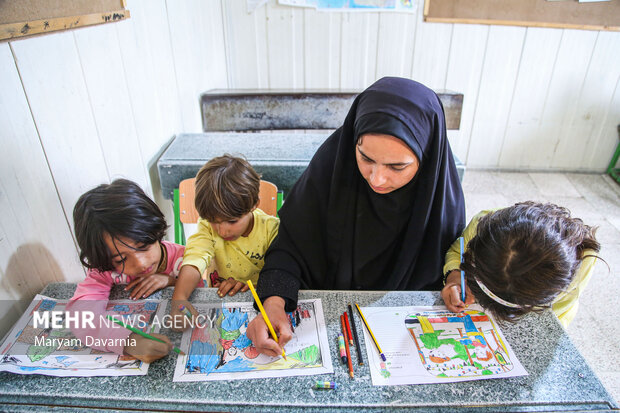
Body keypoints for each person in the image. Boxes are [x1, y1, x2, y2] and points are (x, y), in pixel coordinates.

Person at [246, 77, 466, 357]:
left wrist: (455, 279)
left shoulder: (439, 205)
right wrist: (274, 303)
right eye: (365, 158)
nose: (377, 179)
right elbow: (291, 246)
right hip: (330, 336)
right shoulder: (331, 172)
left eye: (397, 167)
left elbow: (453, 264)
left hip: (401, 346)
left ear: (427, 158)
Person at [67, 179, 184, 363]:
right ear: (105, 258)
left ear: (155, 230)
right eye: (121, 259)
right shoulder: (105, 271)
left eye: (144, 246)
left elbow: (206, 290)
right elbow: (82, 316)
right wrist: (129, 342)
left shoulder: (184, 259)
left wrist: (171, 280)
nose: (140, 264)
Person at [441, 201, 601, 328]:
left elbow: (560, 310)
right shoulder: (482, 226)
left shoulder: (583, 260)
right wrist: (455, 276)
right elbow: (457, 251)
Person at [170, 155, 280, 328]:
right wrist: (179, 300)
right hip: (218, 301)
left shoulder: (271, 230)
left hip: (258, 306)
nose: (222, 231)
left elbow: (278, 276)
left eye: (232, 221)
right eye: (214, 221)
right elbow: (195, 258)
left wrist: (249, 287)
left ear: (254, 205)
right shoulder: (206, 226)